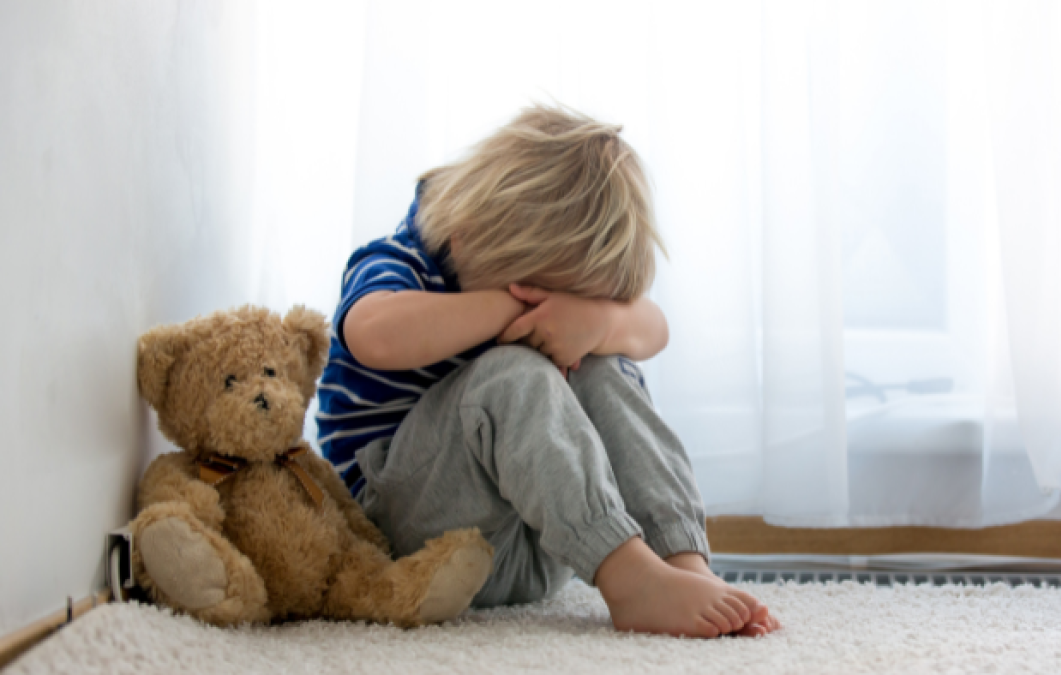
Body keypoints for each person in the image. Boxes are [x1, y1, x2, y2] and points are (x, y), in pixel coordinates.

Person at [317, 105, 779, 638]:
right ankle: (629, 578)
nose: (544, 315)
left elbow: (655, 330)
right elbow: (372, 334)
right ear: (470, 235)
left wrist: (594, 322)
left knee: (604, 365)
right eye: (535, 294)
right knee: (510, 374)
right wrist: (509, 311)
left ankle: (678, 560)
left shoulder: (521, 275)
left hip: (537, 544)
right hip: (406, 539)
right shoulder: (398, 260)